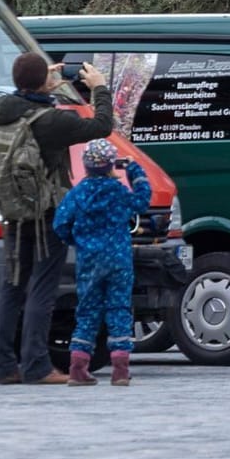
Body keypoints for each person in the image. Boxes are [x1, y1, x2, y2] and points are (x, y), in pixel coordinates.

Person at [0, 53, 114, 385]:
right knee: (42, 288)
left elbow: (25, 95)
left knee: (12, 287)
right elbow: (102, 126)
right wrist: (99, 88)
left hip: (12, 210)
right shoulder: (51, 122)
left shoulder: (1, 111)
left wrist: (42, 82)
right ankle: (37, 366)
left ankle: (2, 367)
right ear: (42, 81)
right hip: (46, 214)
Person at [53, 140, 151, 385]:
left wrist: (77, 240)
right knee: (119, 309)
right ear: (111, 166)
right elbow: (142, 200)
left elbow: (60, 224)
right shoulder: (118, 192)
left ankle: (78, 368)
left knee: (87, 311)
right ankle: (120, 370)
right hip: (119, 259)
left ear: (85, 166)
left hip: (89, 260)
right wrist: (134, 171)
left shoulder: (77, 193)